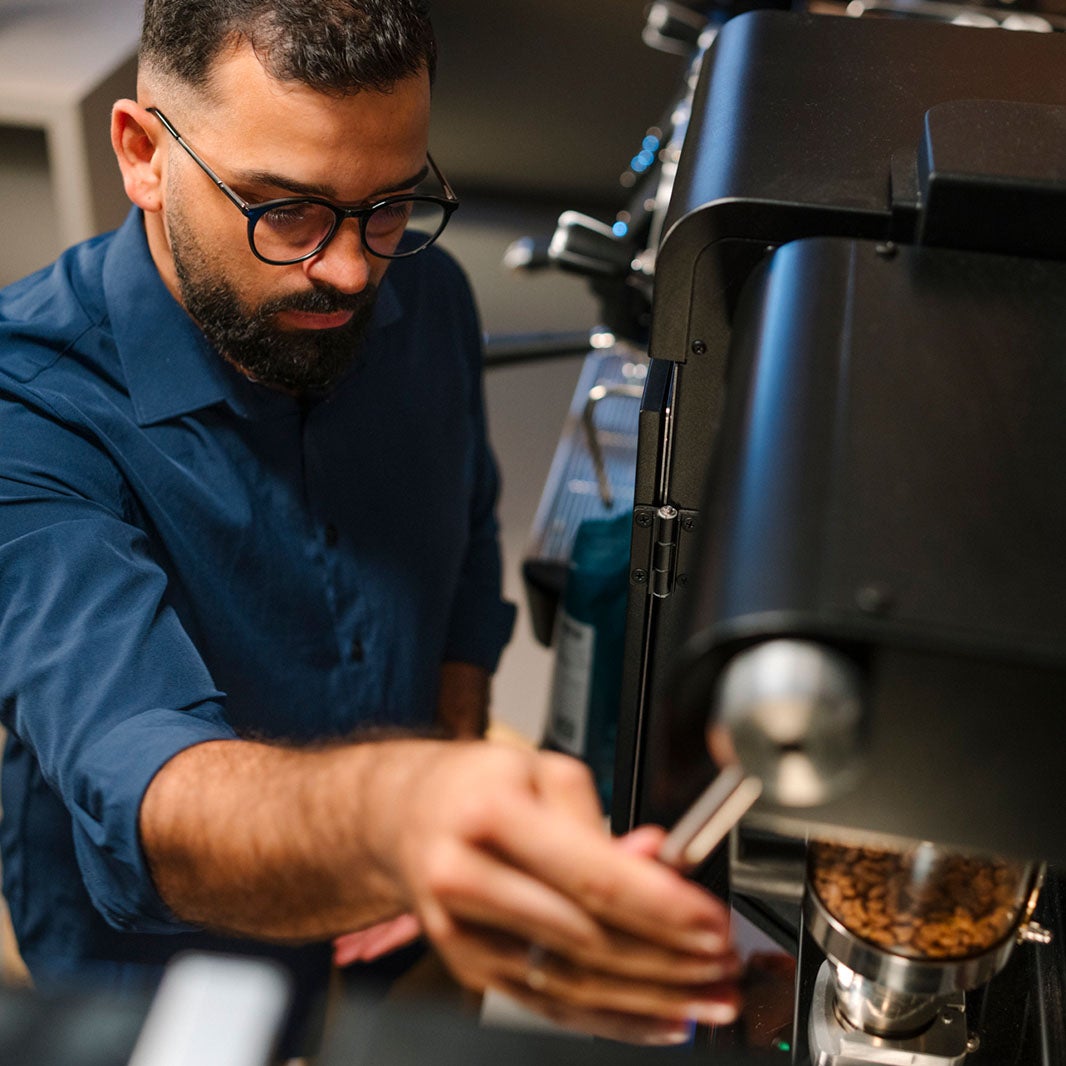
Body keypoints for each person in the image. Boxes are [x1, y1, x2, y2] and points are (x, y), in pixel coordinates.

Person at [0, 0, 740, 1055]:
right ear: (143, 153)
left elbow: (458, 561)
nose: (349, 270)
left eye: (387, 204)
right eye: (286, 211)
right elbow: (140, 774)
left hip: (411, 911)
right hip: (163, 970)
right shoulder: (29, 404)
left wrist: (447, 755)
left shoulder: (423, 295)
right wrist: (397, 821)